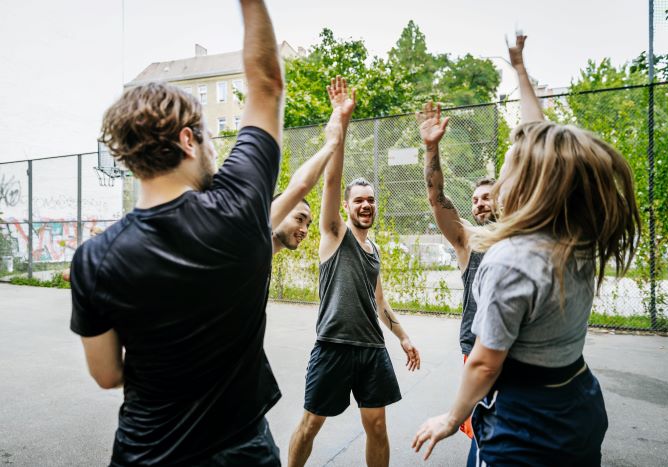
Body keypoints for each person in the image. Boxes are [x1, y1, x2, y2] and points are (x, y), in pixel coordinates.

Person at [69, 1, 286, 465]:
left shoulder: (94, 260)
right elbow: (266, 86)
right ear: (188, 140)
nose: (213, 147)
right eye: (208, 136)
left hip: (146, 453)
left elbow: (107, 375)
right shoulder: (240, 206)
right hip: (240, 451)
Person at [412, 34, 640, 466]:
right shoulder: (578, 233)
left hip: (521, 411)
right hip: (575, 395)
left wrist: (451, 417)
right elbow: (542, 143)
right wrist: (519, 70)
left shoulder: (510, 257)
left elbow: (484, 365)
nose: (498, 181)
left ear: (529, 187)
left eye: (509, 167)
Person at [287, 80, 421, 467]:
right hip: (333, 346)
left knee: (377, 426)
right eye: (358, 200)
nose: (366, 205)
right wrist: (340, 120)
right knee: (311, 424)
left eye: (371, 200)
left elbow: (380, 303)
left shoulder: (373, 249)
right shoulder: (333, 235)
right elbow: (331, 178)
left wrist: (404, 336)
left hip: (372, 349)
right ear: (346, 207)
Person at [416, 104, 497, 439]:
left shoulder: (519, 238)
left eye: (486, 198)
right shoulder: (469, 238)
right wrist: (431, 148)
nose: (478, 203)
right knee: (482, 431)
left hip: (518, 349)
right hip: (478, 347)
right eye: (475, 199)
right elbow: (437, 198)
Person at [270, 76, 351, 255]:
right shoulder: (251, 242)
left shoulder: (263, 259)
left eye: (307, 224)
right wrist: (332, 143)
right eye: (299, 219)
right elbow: (302, 185)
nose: (304, 230)